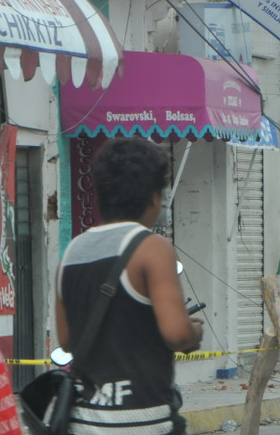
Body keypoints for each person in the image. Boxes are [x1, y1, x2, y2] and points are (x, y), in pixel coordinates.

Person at [56, 137, 203, 435]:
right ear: (154, 198)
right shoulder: (152, 248)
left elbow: (67, 341)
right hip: (143, 419)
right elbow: (177, 334)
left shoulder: (71, 252)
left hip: (83, 422)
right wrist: (194, 332)